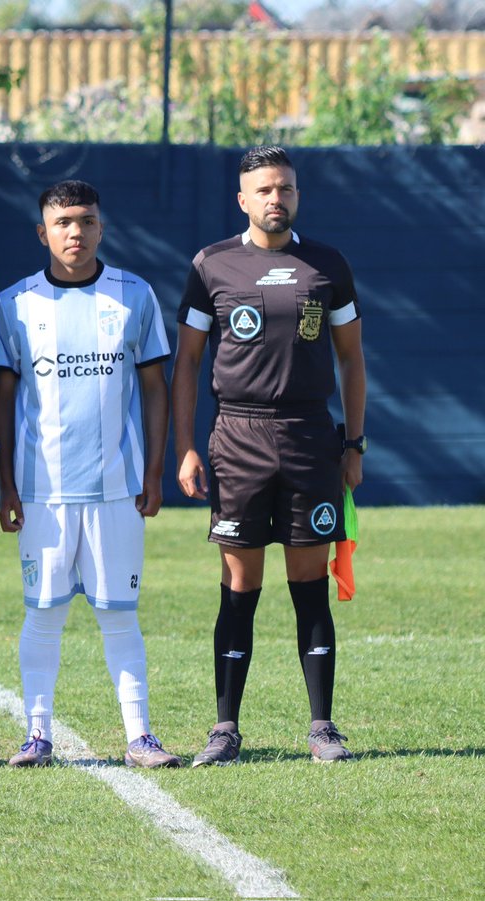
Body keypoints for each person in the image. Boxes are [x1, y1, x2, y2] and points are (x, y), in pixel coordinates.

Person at [171, 145, 366, 766]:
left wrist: (353, 443)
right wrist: (186, 447)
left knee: (309, 585)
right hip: (238, 437)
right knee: (239, 585)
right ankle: (225, 729)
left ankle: (322, 728)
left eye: (285, 188)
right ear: (243, 199)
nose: (275, 198)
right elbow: (187, 363)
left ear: (297, 195)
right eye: (264, 189)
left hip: (309, 437)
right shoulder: (212, 264)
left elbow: (351, 359)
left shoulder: (327, 265)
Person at [0, 180, 180, 769]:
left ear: (102, 227)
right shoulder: (15, 304)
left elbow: (156, 388)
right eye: (63, 222)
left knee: (118, 614)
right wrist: (6, 483)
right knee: (43, 613)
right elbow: (3, 399)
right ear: (42, 232)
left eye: (87, 221)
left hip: (116, 490)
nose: (76, 232)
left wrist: (154, 470)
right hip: (42, 493)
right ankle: (37, 735)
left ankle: (140, 736)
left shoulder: (134, 295)